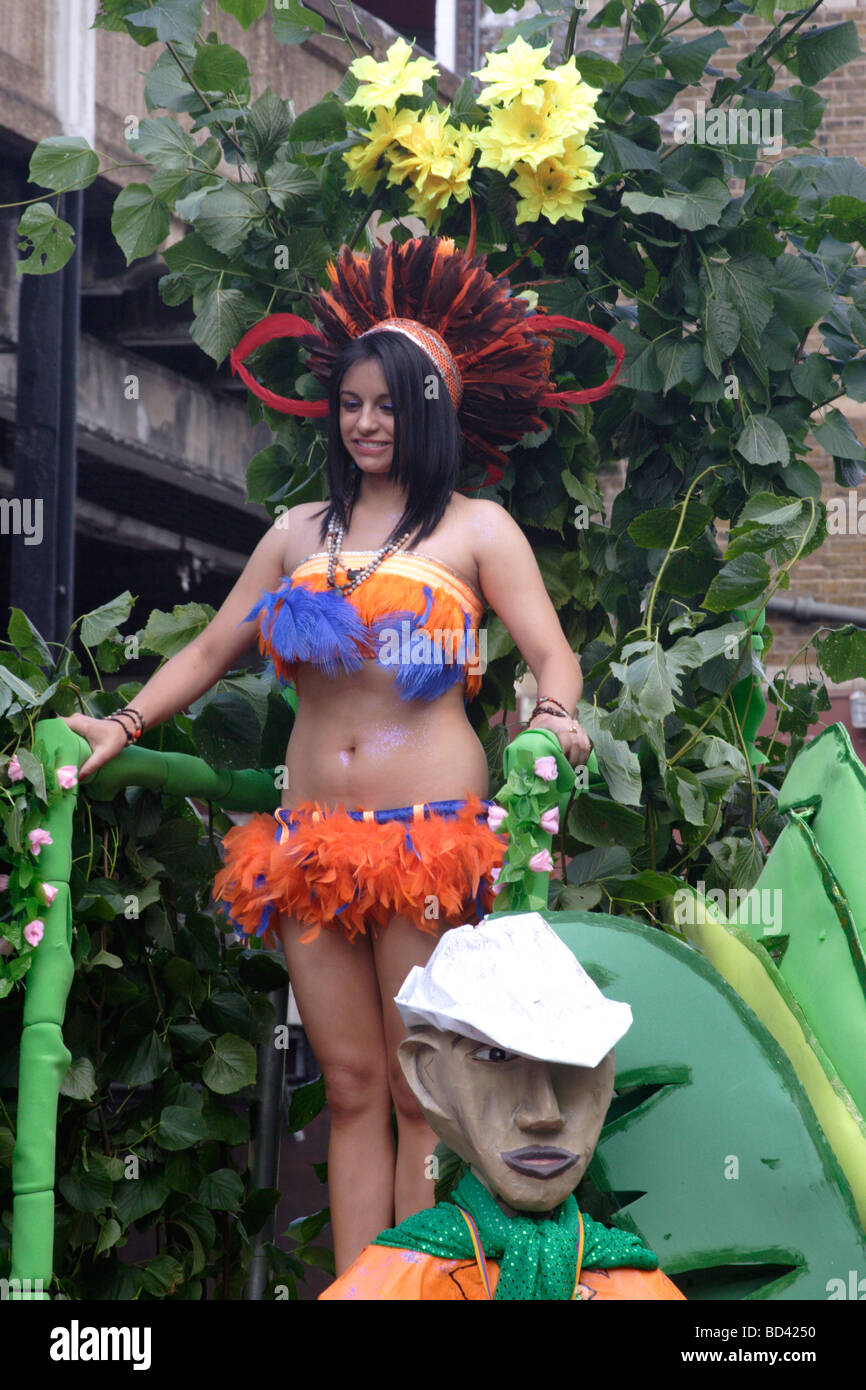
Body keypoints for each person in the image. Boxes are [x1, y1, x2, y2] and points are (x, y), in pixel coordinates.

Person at [60, 234, 622, 1274]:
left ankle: (412, 1291)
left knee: (418, 1088)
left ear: (430, 416)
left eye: (388, 406)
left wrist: (551, 714)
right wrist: (123, 724)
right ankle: (361, 1291)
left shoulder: (477, 531)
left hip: (425, 841)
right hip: (309, 844)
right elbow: (214, 647)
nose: (366, 424)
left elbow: (554, 657)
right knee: (354, 1084)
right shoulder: (293, 534)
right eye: (351, 404)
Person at [320, 912, 686, 1300]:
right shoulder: (391, 1285)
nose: (544, 1114)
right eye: (496, 1056)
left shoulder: (639, 1285)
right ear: (428, 1075)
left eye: (576, 1060)